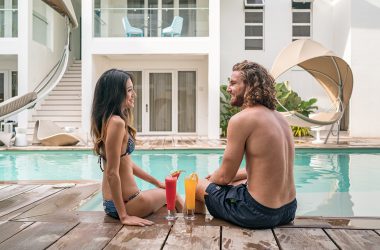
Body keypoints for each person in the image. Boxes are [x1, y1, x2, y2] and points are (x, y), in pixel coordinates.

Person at [195, 60, 297, 229]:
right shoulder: (280, 119)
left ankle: (192, 232)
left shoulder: (241, 119)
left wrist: (209, 183)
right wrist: (221, 179)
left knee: (198, 185)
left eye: (233, 83)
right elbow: (266, 168)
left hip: (258, 213)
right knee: (232, 185)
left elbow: (223, 177)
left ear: (250, 86)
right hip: (287, 210)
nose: (228, 88)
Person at [91, 69, 183, 226]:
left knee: (167, 210)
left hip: (114, 203)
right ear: (116, 94)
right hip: (127, 204)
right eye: (128, 90)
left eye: (132, 89)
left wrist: (157, 183)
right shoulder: (117, 123)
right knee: (173, 196)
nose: (134, 94)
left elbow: (126, 164)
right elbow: (112, 173)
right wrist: (124, 217)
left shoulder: (109, 121)